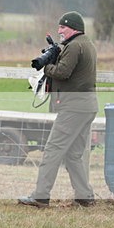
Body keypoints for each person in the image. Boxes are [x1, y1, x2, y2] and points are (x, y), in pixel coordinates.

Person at [19, 11, 98, 208]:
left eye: (63, 27)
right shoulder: (87, 44)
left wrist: (46, 67)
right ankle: (84, 196)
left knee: (53, 150)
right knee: (74, 154)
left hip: (73, 108)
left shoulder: (73, 46)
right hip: (87, 106)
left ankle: (40, 196)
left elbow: (62, 72)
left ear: (73, 28)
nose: (59, 30)